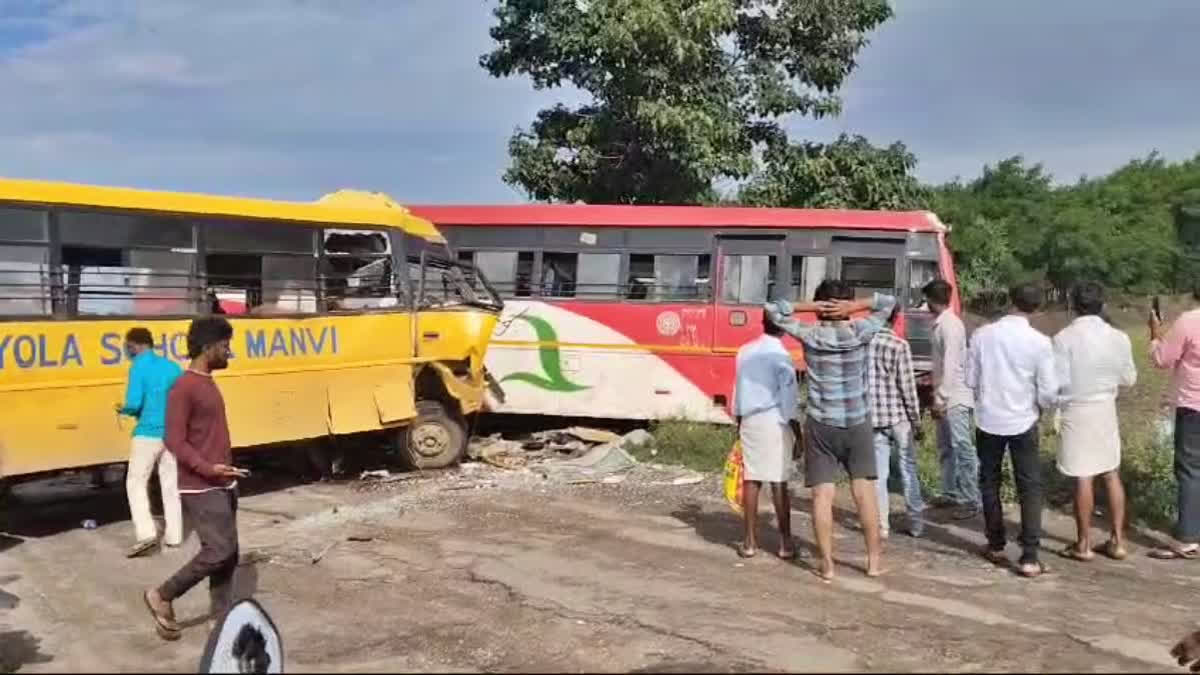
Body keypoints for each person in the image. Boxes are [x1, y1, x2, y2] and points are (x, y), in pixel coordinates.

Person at [765, 282, 897, 582]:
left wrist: (811, 307)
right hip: (858, 422)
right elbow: (888, 301)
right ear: (846, 305)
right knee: (865, 493)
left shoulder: (810, 333)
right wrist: (856, 306)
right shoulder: (861, 330)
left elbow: (772, 309)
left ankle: (827, 565)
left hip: (821, 423)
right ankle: (874, 562)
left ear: (821, 305)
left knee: (822, 496)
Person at [144, 317, 247, 641]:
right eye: (225, 346)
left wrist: (225, 471)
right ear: (207, 348)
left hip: (223, 482)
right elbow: (174, 440)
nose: (229, 352)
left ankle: (220, 620)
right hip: (201, 485)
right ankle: (162, 594)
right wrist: (207, 468)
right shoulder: (184, 387)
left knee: (228, 555)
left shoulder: (207, 381)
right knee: (219, 550)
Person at [966, 282, 1057, 578]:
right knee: (1029, 486)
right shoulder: (1040, 342)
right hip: (1024, 420)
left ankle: (995, 544)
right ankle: (1029, 556)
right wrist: (1040, 407)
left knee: (989, 480)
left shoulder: (982, 335)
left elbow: (970, 379)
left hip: (988, 419)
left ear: (1011, 302)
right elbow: (1048, 391)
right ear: (1037, 308)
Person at [1052, 282, 1136, 562]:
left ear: (1074, 305)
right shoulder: (1119, 338)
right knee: (1111, 472)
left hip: (1076, 410)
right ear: (1102, 305)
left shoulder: (1064, 338)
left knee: (1083, 475)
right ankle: (1118, 541)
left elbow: (1058, 382)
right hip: (1104, 408)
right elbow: (1129, 379)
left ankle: (1084, 544)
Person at [733, 312, 799, 560]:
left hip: (749, 420)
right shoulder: (781, 356)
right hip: (774, 420)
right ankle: (785, 543)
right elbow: (789, 399)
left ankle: (749, 542)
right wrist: (797, 432)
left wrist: (738, 421)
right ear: (783, 328)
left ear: (763, 324)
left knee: (751, 479)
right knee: (779, 482)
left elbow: (737, 388)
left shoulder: (744, 351)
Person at [118, 327, 184, 558]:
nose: (128, 351)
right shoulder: (172, 367)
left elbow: (134, 403)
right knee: (170, 485)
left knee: (136, 483)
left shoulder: (138, 367)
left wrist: (123, 408)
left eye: (128, 347)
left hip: (147, 434)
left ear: (135, 346)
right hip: (172, 434)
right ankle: (174, 537)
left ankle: (146, 534)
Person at [923, 279, 980, 521]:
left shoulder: (950, 326)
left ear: (931, 300)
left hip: (955, 396)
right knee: (946, 447)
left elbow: (951, 364)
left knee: (962, 447)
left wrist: (941, 397)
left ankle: (970, 498)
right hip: (947, 394)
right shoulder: (943, 324)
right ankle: (950, 491)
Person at [1150, 289, 1200, 560]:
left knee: (1191, 469)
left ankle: (1189, 537)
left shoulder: (1189, 321)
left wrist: (1156, 333)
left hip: (1194, 406)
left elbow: (1162, 359)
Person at [868, 305, 924, 539]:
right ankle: (916, 523)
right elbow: (908, 389)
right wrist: (917, 421)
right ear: (895, 319)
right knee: (908, 468)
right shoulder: (900, 346)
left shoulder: (865, 344)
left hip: (873, 418)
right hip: (899, 418)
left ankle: (882, 525)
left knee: (878, 475)